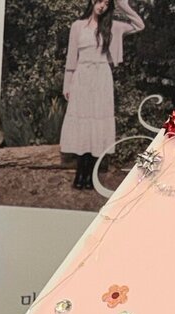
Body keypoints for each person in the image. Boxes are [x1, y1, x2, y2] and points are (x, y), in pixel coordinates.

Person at [60, 0, 144, 189]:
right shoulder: (78, 26)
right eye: (100, 1)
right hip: (82, 77)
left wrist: (123, 5)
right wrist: (67, 84)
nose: (102, 6)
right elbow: (71, 57)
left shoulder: (112, 26)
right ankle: (79, 175)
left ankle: (90, 176)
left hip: (101, 78)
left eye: (107, 3)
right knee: (83, 124)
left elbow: (139, 25)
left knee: (97, 123)